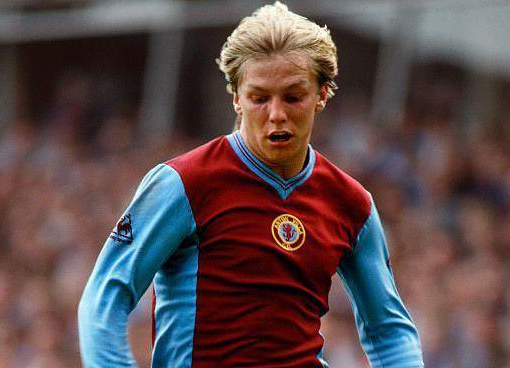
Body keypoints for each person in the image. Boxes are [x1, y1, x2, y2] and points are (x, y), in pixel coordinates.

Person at [78, 2, 424, 367]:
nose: (276, 114)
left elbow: (389, 331)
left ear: (321, 95)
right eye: (260, 98)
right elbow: (105, 297)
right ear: (237, 99)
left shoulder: (351, 203)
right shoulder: (184, 183)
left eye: (293, 97)